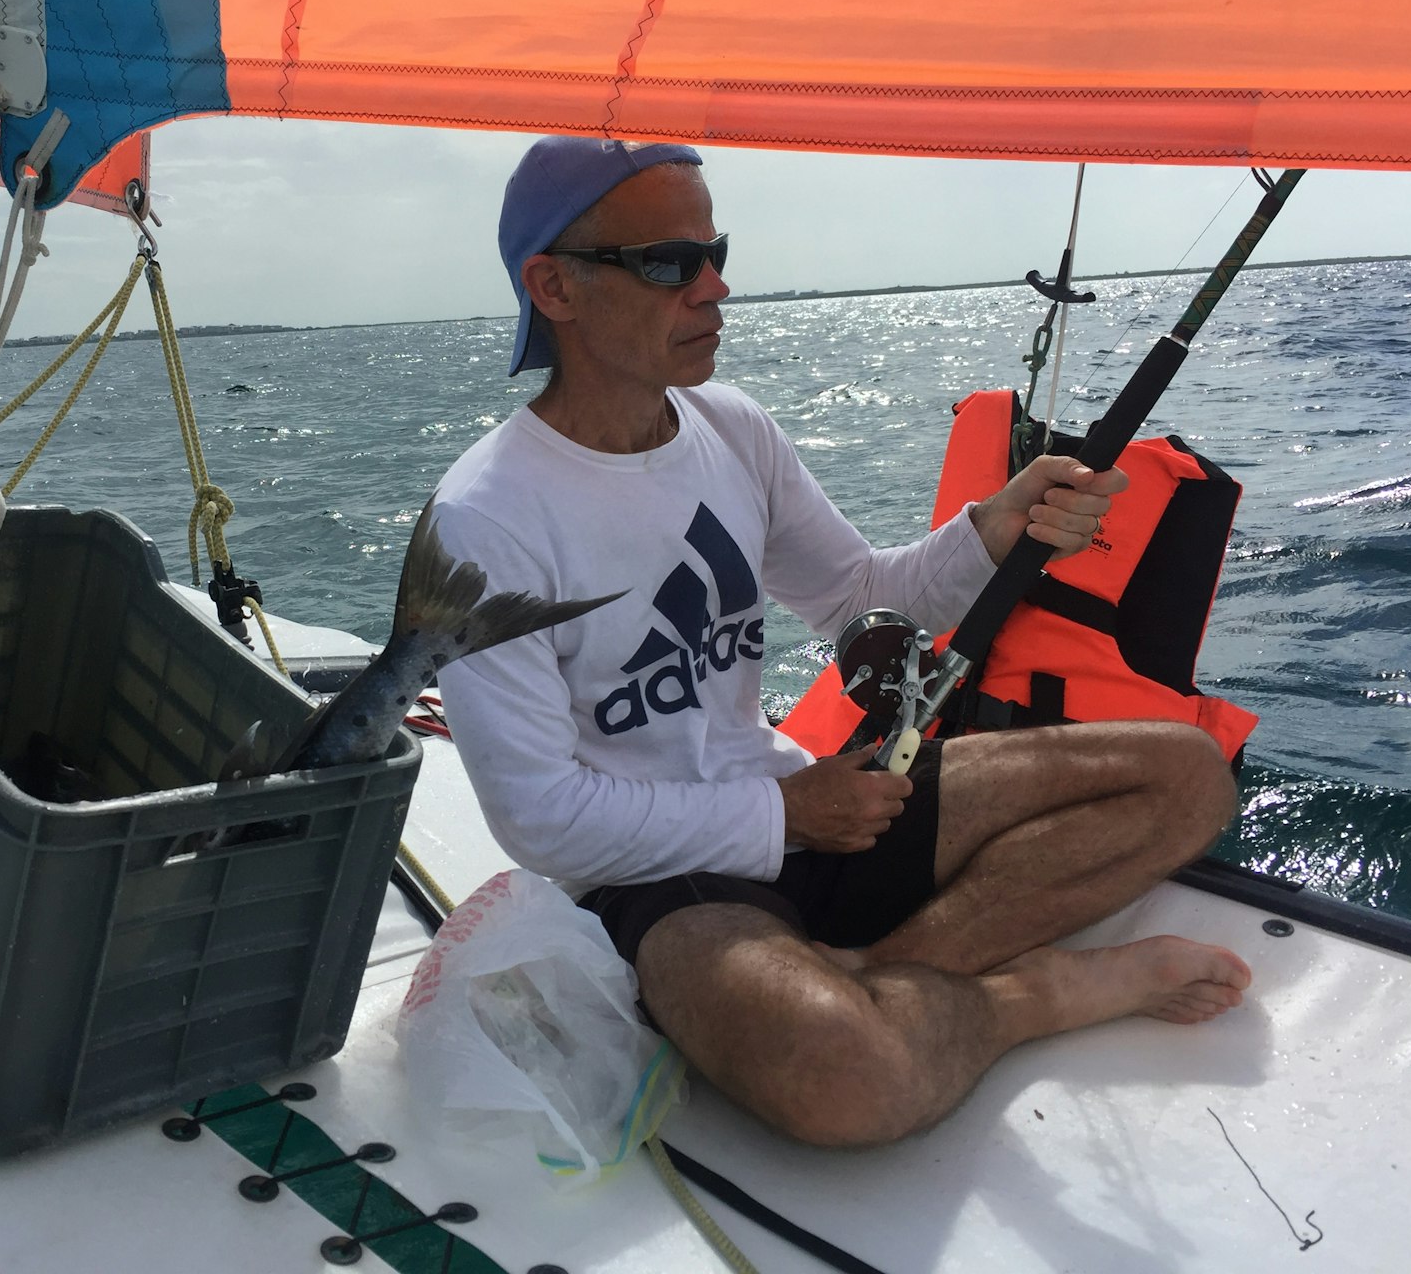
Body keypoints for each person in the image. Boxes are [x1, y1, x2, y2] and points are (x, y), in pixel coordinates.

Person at [431, 136, 1251, 1148]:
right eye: (669, 264)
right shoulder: (484, 521)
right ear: (553, 286)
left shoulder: (730, 427)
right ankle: (1032, 994)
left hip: (808, 813)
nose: (716, 289)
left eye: (715, 252)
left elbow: (861, 596)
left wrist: (998, 524)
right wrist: (784, 817)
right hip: (662, 879)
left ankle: (882, 971)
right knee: (849, 1083)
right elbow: (546, 823)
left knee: (1187, 775)